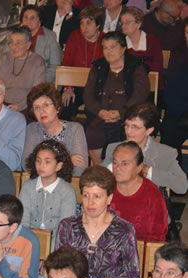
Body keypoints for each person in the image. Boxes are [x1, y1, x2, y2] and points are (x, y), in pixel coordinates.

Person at [55, 166, 140, 278]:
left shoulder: (124, 230)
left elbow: (132, 275)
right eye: (86, 195)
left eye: (97, 196)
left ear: (109, 198)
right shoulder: (67, 226)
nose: (90, 203)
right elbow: (58, 265)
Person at [83, 31, 150, 165]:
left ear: (123, 48)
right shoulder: (98, 67)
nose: (108, 51)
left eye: (113, 47)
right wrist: (100, 112)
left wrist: (122, 113)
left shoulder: (136, 67)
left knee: (126, 137)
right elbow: (88, 96)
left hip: (128, 118)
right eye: (105, 48)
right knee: (91, 133)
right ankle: (102, 170)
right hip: (100, 117)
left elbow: (140, 95)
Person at [102, 103, 188, 195]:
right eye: (127, 125)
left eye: (135, 127)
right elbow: (99, 179)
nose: (128, 131)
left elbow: (182, 186)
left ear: (149, 130)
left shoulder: (165, 153)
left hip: (151, 204)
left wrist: (149, 171)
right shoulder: (113, 148)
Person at [20, 140, 77, 248]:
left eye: (47, 162)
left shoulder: (67, 191)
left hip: (56, 247)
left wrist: (49, 256)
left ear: (59, 166)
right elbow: (23, 222)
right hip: (28, 246)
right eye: (38, 161)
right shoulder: (27, 187)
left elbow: (64, 230)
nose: (41, 165)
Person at [23, 83, 88, 176]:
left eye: (46, 105)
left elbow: (79, 169)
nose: (42, 111)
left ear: (57, 107)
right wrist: (67, 162)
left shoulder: (75, 129)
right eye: (36, 107)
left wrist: (44, 166)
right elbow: (27, 166)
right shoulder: (32, 129)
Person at [109, 141, 168, 242]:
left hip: (141, 252)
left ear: (139, 168)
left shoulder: (151, 194)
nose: (117, 168)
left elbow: (156, 237)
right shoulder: (106, 188)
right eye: (115, 162)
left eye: (125, 164)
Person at [60, 7, 104, 121]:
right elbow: (67, 63)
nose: (84, 28)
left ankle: (88, 136)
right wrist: (68, 88)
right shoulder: (75, 36)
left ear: (98, 25)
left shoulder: (105, 39)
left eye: (88, 23)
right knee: (65, 104)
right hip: (75, 85)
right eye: (82, 23)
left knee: (94, 111)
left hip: (97, 87)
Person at [0, 26, 46, 112]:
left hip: (27, 105)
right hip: (2, 103)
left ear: (28, 45)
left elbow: (37, 91)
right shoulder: (4, 59)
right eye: (11, 43)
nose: (13, 47)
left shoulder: (37, 62)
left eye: (18, 43)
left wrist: (20, 106)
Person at [120, 7, 163, 88]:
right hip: (126, 87)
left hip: (150, 86)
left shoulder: (153, 41)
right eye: (122, 23)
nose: (123, 26)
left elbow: (157, 69)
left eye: (127, 22)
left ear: (138, 24)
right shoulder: (120, 42)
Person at [20, 5, 61, 84]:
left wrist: (38, 82)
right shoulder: (14, 35)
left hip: (42, 82)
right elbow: (6, 61)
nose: (28, 21)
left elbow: (55, 66)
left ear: (40, 21)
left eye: (32, 18)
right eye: (25, 17)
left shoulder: (50, 36)